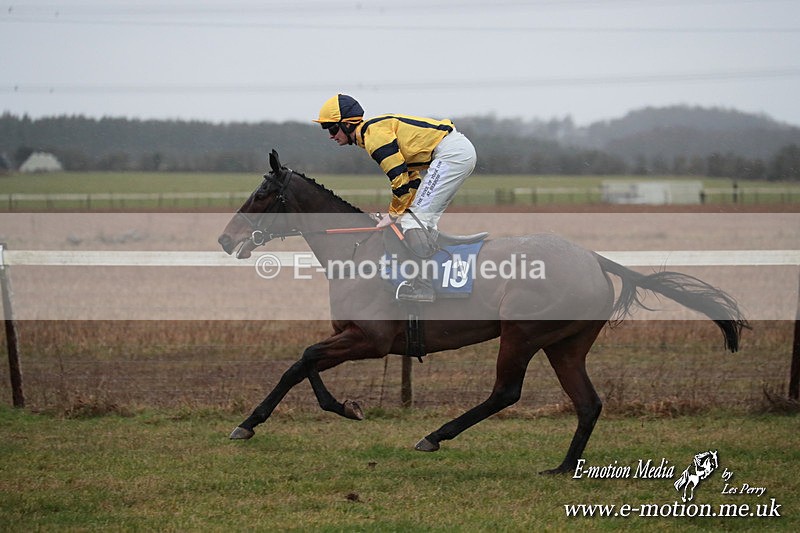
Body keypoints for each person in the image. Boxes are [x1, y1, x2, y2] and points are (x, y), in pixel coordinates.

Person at [314, 94, 477, 302]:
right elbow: (411, 178)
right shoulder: (372, 134)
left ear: (346, 124)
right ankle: (436, 279)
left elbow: (398, 180)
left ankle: (423, 286)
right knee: (422, 221)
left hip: (452, 154)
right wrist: (401, 210)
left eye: (331, 128)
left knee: (412, 220)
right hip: (456, 152)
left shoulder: (374, 136)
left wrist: (392, 215)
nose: (330, 135)